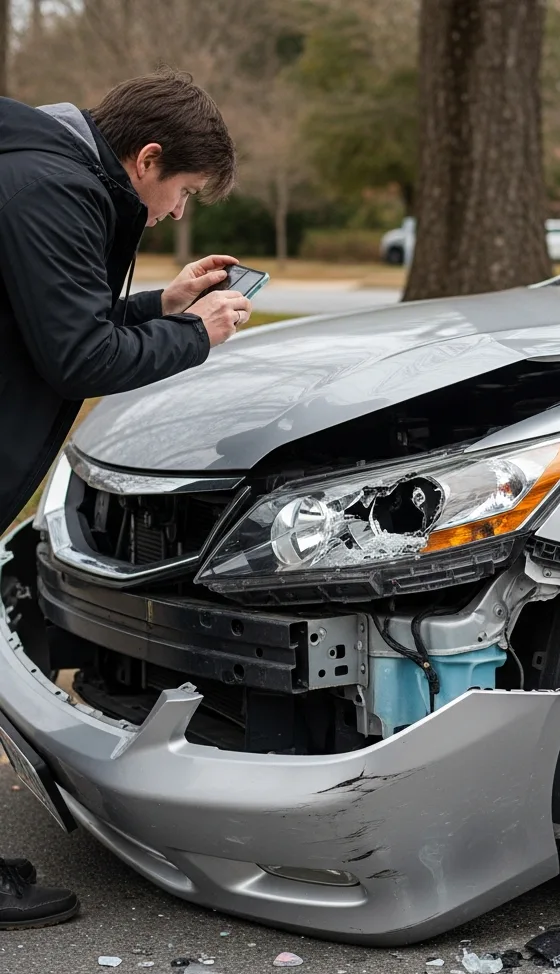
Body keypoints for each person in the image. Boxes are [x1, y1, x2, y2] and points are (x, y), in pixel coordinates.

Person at [0, 70, 251, 928]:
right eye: (180, 192)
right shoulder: (53, 187)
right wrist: (197, 335)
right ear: (145, 160)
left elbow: (46, 318)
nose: (176, 213)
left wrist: (162, 304)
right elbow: (77, 358)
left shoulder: (37, 165)